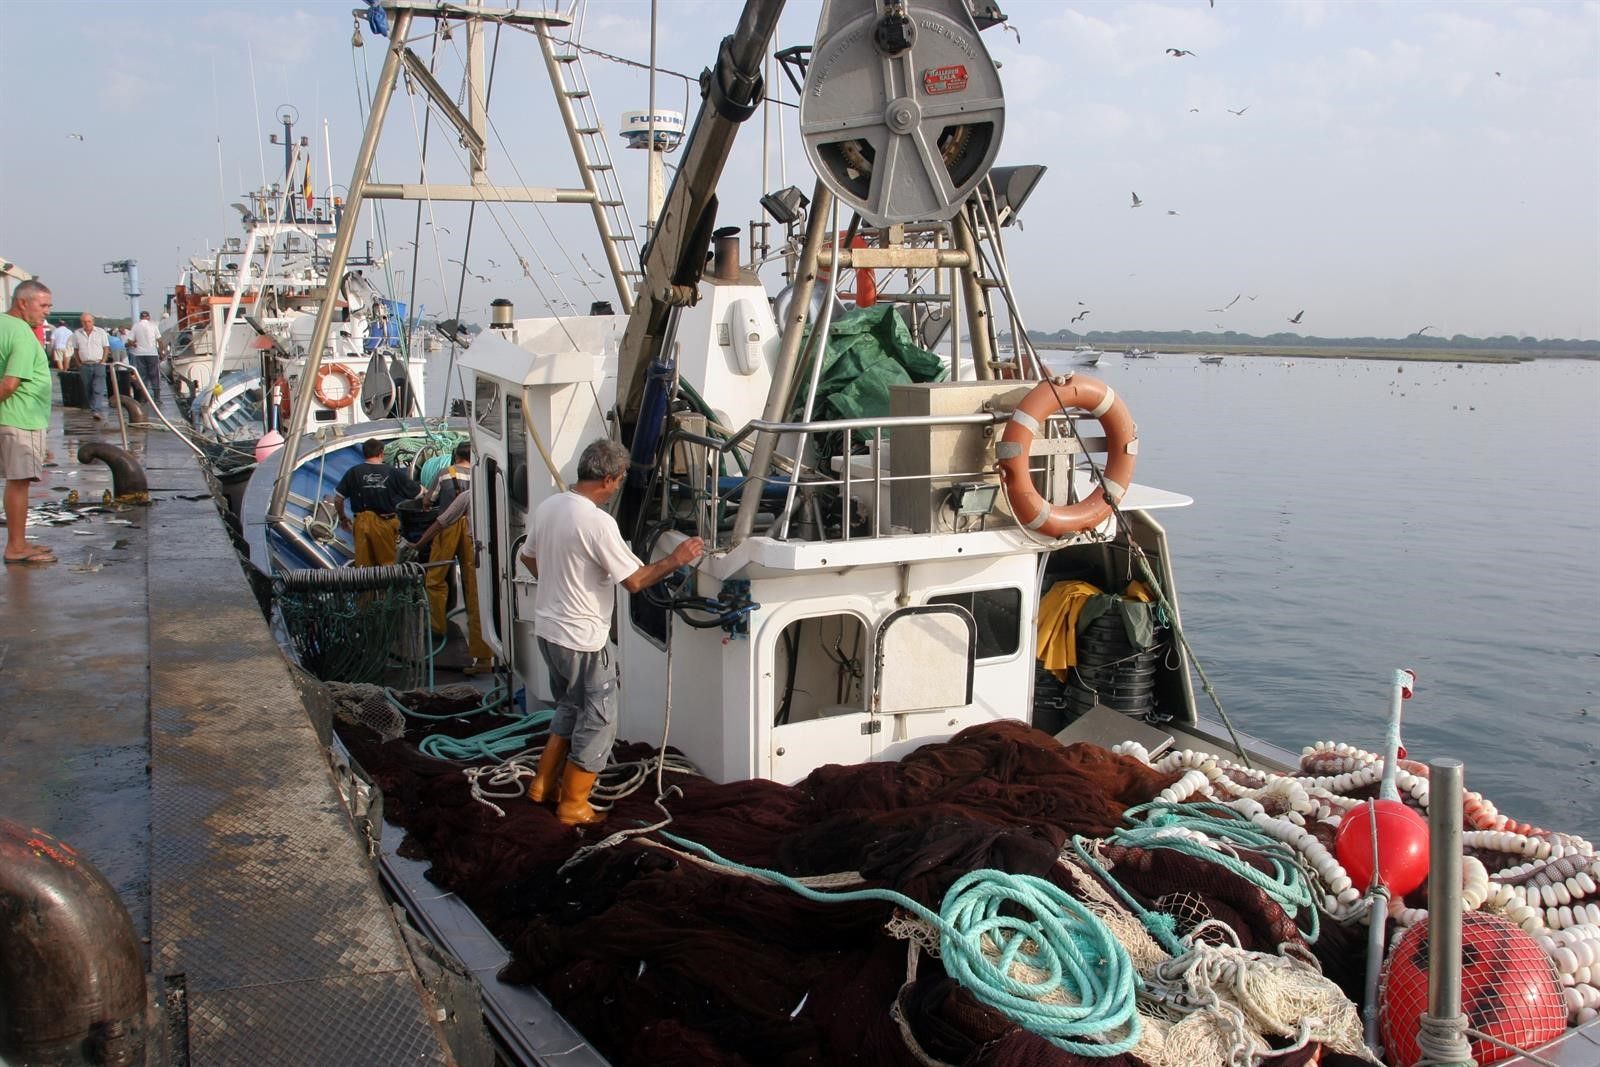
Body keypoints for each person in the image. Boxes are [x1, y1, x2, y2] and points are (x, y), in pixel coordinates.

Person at [519, 438, 704, 826]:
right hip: (582, 638)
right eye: (619, 481)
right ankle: (572, 806)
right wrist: (677, 558)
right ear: (608, 478)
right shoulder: (598, 522)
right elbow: (635, 580)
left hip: (548, 630)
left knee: (569, 705)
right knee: (600, 718)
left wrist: (560, 585)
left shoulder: (550, 506)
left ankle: (542, 785)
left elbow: (528, 555)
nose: (618, 487)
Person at [404, 443, 493, 674]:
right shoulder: (479, 480)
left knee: (435, 577)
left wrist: (418, 542)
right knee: (473, 589)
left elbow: (429, 502)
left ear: (455, 456)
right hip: (474, 534)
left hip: (449, 526)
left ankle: (438, 626)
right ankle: (483, 653)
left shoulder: (445, 473)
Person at [1, 280, 57, 565]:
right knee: (19, 483)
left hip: (11, 418)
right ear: (23, 302)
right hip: (20, 419)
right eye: (43, 305)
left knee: (16, 482)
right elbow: (10, 384)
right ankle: (16, 547)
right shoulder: (22, 334)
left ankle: (18, 541)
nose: (47, 311)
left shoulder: (2, 325)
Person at [331, 437, 422, 567]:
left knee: (364, 567)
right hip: (385, 523)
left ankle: (367, 587)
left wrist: (343, 518)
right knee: (388, 565)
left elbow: (338, 499)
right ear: (381, 453)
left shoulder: (353, 472)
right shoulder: (393, 472)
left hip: (361, 524)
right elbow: (418, 493)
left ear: (364, 453)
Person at [68, 312, 110, 419]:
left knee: (98, 388)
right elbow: (76, 350)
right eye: (84, 322)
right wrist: (78, 364)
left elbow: (106, 348)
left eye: (89, 321)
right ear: (81, 322)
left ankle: (96, 409)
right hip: (85, 365)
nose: (87, 324)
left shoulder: (101, 332)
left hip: (98, 363)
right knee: (87, 388)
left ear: (93, 322)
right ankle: (92, 407)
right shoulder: (77, 334)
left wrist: (103, 361)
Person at [129, 311, 160, 403]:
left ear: (140, 317)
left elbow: (130, 341)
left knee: (142, 376)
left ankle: (143, 398)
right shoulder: (153, 325)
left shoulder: (135, 326)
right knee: (155, 376)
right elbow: (159, 339)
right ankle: (157, 398)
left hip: (139, 354)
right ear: (148, 317)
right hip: (152, 353)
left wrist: (135, 345)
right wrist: (162, 352)